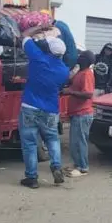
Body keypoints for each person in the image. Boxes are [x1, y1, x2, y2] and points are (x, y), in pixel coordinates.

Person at [20, 27, 70, 188]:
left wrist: (40, 28)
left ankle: (32, 178)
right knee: (52, 139)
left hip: (30, 106)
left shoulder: (37, 57)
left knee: (30, 143)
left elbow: (24, 36)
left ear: (48, 49)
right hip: (50, 109)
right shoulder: (64, 71)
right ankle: (56, 166)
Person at [64, 50, 96, 177]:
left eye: (82, 57)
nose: (79, 58)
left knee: (80, 141)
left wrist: (70, 92)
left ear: (86, 61)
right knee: (74, 142)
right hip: (77, 113)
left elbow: (88, 94)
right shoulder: (80, 72)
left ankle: (83, 167)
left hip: (83, 113)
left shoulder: (87, 74)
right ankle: (77, 164)